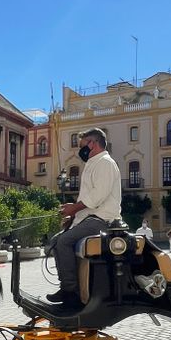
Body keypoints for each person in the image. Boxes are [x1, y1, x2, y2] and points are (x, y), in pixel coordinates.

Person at [47, 128, 121, 309]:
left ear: (92, 144)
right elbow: (88, 200)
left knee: (63, 242)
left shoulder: (105, 163)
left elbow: (97, 197)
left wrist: (74, 208)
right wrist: (73, 213)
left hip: (103, 220)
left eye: (81, 146)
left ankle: (70, 292)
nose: (79, 150)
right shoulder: (94, 163)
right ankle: (69, 286)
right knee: (57, 241)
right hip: (91, 218)